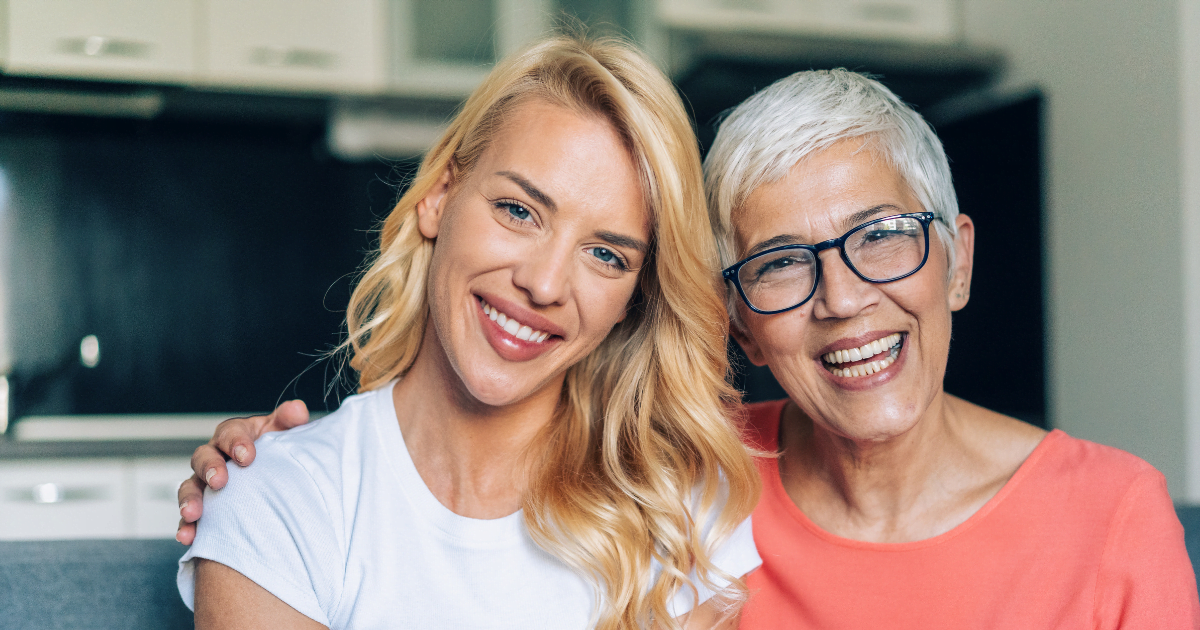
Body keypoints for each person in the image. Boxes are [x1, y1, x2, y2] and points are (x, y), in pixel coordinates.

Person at [175, 34, 761, 630]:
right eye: (518, 210)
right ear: (439, 196)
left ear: (632, 301)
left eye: (606, 254)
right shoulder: (278, 497)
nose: (545, 284)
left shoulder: (679, 514)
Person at [703, 69, 1199, 627]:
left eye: (880, 235)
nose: (841, 300)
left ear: (957, 264)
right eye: (782, 263)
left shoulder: (1115, 513)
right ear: (742, 326)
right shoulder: (690, 485)